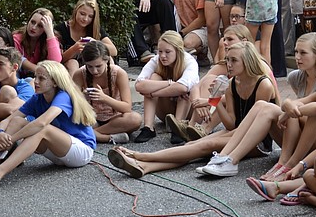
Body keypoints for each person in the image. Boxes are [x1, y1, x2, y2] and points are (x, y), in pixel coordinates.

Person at [108, 41, 277, 177]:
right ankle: (145, 167)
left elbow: (256, 127)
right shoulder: (233, 84)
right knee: (194, 145)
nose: (229, 65)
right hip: (236, 132)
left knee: (207, 144)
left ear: (247, 62)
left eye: (234, 61)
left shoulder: (263, 84)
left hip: (257, 141)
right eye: (227, 60)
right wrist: (216, 101)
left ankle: (139, 156)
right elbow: (231, 124)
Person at [198, 53, 316, 179]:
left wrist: (291, 110)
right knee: (262, 106)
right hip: (306, 145)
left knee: (313, 114)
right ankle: (227, 158)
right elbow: (289, 102)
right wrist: (289, 107)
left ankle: (287, 163)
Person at [0, 60, 97, 193]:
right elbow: (10, 118)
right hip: (59, 150)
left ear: (55, 82)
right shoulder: (37, 98)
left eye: (42, 78)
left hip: (81, 151)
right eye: (35, 77)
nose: (36, 82)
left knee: (42, 129)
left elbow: (42, 123)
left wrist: (11, 138)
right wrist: (0, 133)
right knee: (18, 122)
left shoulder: (63, 96)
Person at [132, 31, 198, 143]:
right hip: (165, 111)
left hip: (187, 111)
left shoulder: (189, 61)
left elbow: (183, 87)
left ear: (178, 51)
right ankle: (148, 127)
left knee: (188, 90)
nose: (162, 56)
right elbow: (139, 85)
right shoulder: (155, 60)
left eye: (168, 52)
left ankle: (178, 128)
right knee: (154, 77)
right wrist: (169, 83)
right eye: (160, 51)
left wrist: (154, 93)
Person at [73, 40, 141, 144]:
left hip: (114, 118)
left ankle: (91, 134)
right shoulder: (80, 74)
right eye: (90, 66)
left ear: (107, 60)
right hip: (92, 118)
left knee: (135, 119)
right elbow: (73, 103)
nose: (94, 71)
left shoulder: (118, 73)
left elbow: (127, 107)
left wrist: (104, 98)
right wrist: (82, 97)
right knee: (72, 119)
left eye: (98, 66)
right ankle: (105, 137)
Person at [56, 0, 118, 74]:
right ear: (76, 11)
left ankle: (109, 85)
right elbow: (57, 60)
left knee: (108, 59)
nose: (85, 19)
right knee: (72, 63)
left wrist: (95, 43)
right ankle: (74, 86)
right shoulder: (62, 29)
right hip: (69, 69)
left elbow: (114, 51)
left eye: (90, 16)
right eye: (82, 14)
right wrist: (74, 49)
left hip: (91, 65)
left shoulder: (94, 29)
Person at [12, 8, 63, 75]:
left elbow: (55, 62)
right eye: (32, 22)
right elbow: (17, 59)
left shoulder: (50, 39)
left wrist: (50, 33)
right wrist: (39, 70)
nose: (34, 27)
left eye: (40, 26)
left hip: (40, 78)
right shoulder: (16, 38)